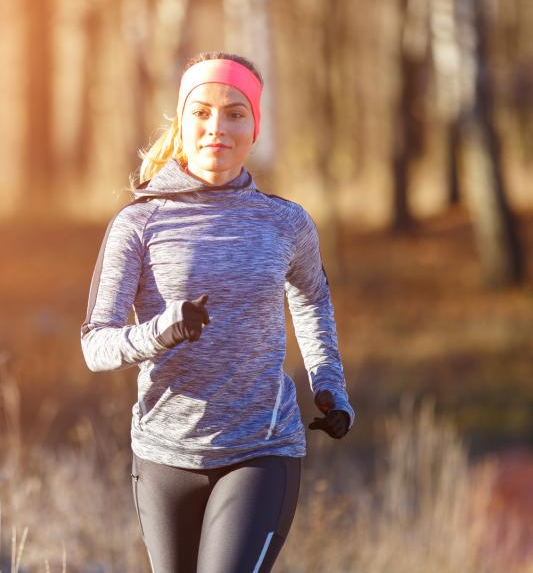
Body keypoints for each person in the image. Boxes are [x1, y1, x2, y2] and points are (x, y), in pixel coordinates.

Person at [79, 51, 355, 573]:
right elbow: (96, 345)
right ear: (181, 122)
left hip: (262, 447)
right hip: (164, 454)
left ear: (255, 127)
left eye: (235, 112)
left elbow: (312, 298)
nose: (217, 127)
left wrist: (330, 384)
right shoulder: (139, 222)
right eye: (201, 111)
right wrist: (163, 330)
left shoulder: (285, 222)